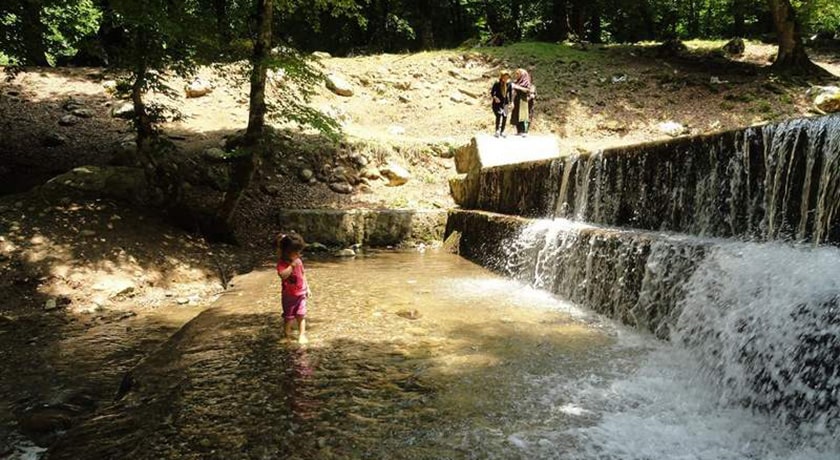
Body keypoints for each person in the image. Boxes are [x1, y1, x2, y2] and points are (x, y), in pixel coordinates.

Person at [277, 233, 312, 344]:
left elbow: (303, 274)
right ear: (287, 252)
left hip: (301, 293)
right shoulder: (282, 264)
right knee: (288, 317)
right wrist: (291, 266)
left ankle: (302, 335)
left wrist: (307, 287)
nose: (298, 254)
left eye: (299, 252)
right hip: (288, 295)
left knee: (301, 315)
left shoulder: (299, 261)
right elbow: (282, 275)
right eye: (296, 252)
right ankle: (287, 335)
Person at [490, 71, 513, 138]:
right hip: (497, 103)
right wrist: (495, 98)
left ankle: (502, 131)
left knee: (505, 116)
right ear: (501, 77)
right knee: (499, 115)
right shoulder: (497, 83)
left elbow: (510, 94)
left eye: (507, 77)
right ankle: (497, 130)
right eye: (504, 77)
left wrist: (511, 102)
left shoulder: (509, 84)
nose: (506, 79)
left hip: (505, 103)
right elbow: (492, 93)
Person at [510, 68, 532, 136]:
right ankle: (518, 130)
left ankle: (523, 131)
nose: (516, 75)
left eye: (518, 74)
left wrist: (517, 87)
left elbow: (527, 90)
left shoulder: (526, 81)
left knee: (522, 114)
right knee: (516, 114)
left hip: (523, 100)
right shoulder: (517, 81)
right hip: (516, 100)